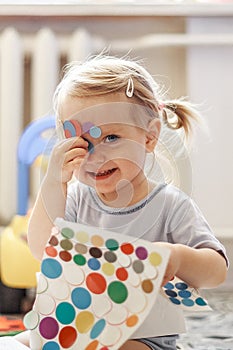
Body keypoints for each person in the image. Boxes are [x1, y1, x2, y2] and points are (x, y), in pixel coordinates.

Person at [20, 55, 228, 349]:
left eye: (112, 137)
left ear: (149, 137)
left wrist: (177, 257)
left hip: (141, 338)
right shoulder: (76, 198)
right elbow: (43, 250)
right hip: (76, 327)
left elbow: (217, 271)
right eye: (79, 141)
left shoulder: (170, 205)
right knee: (17, 343)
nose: (95, 155)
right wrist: (55, 181)